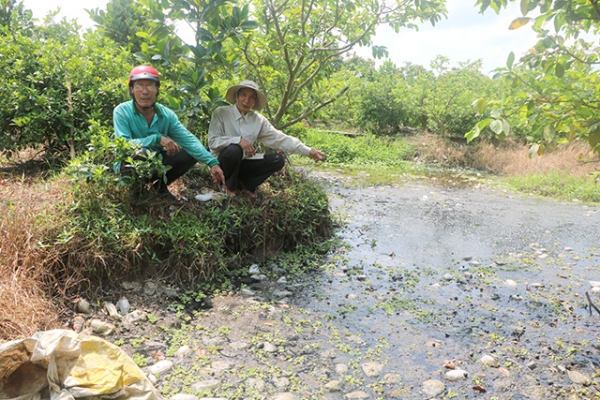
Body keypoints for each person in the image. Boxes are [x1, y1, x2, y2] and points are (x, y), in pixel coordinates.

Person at [113, 66, 225, 198]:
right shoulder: (122, 111)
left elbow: (188, 140)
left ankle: (159, 188)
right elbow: (124, 145)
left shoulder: (166, 115)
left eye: (150, 86)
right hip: (129, 166)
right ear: (131, 90)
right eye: (139, 86)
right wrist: (156, 139)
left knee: (190, 152)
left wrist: (212, 162)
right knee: (140, 152)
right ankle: (136, 190)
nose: (145, 91)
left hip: (156, 163)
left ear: (157, 90)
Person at [208, 80, 326, 197]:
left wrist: (308, 151)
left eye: (251, 97)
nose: (246, 100)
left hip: (243, 163)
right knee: (234, 149)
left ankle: (246, 184)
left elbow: (280, 139)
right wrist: (238, 140)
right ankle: (228, 186)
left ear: (255, 102)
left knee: (278, 159)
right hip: (222, 163)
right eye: (243, 95)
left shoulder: (258, 120)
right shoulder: (221, 113)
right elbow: (213, 142)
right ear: (236, 96)